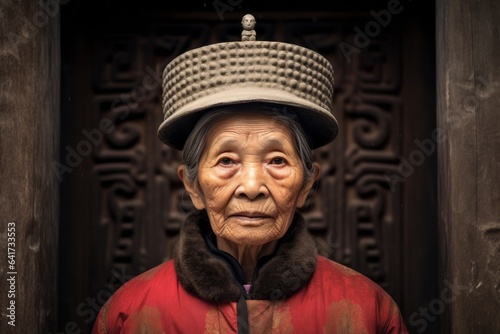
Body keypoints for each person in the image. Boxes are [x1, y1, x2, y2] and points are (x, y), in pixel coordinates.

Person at [92, 14, 408, 334]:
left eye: (277, 161)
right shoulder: (129, 314)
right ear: (192, 187)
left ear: (306, 186)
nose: (252, 186)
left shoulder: (367, 310)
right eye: (227, 160)